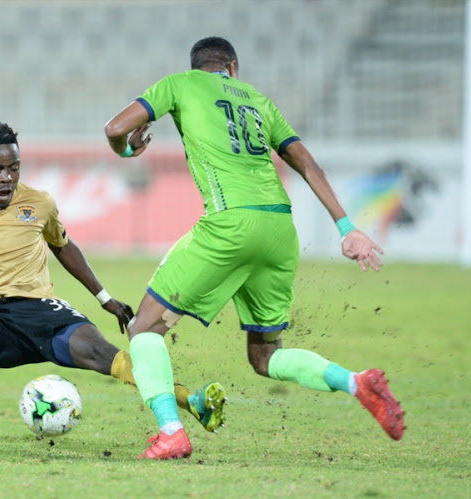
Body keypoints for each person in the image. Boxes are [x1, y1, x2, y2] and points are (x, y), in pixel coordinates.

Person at [103, 37, 405, 460]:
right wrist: (346, 226)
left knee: (143, 329)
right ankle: (355, 382)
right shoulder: (259, 100)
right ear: (232, 67)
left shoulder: (179, 84)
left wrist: (129, 149)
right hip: (280, 229)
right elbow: (306, 162)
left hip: (230, 223)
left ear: (198, 67)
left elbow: (115, 129)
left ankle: (171, 432)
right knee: (265, 356)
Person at [0, 122, 226, 452]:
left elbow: (64, 247)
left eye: (14, 168)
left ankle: (192, 402)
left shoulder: (39, 203)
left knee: (103, 354)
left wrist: (104, 297)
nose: (7, 178)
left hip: (44, 315)